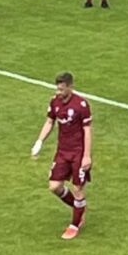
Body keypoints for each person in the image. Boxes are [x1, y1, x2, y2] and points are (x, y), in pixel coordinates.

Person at [29, 72, 93, 240]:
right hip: (62, 152)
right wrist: (39, 142)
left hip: (78, 152)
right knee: (54, 186)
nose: (59, 93)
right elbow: (50, 121)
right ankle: (79, 208)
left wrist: (87, 156)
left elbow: (87, 131)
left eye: (62, 90)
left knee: (78, 188)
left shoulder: (81, 105)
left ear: (70, 87)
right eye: (57, 89)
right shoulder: (54, 102)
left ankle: (74, 224)